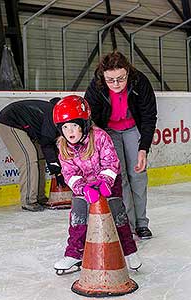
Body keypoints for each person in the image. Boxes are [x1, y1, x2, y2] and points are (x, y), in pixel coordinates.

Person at [53, 95, 142, 272]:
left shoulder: (100, 137)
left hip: (108, 183)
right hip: (84, 186)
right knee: (78, 218)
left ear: (84, 124)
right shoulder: (63, 146)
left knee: (118, 217)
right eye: (65, 127)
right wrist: (82, 188)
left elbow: (111, 162)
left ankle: (129, 252)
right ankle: (74, 254)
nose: (70, 131)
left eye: (75, 126)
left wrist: (104, 182)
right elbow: (69, 173)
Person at [84, 51, 157, 239]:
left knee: (138, 174)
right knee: (120, 177)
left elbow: (149, 117)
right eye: (111, 80)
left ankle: (142, 223)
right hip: (109, 132)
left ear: (128, 73)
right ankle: (128, 225)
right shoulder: (96, 86)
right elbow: (90, 118)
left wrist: (143, 149)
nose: (116, 84)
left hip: (133, 129)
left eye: (120, 79)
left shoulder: (140, 82)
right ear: (103, 76)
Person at [0, 98, 65, 212]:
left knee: (40, 158)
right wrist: (57, 171)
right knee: (28, 158)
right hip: (10, 121)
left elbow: (48, 145)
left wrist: (57, 170)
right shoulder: (53, 117)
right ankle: (28, 200)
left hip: (27, 126)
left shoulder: (59, 118)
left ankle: (40, 197)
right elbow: (47, 145)